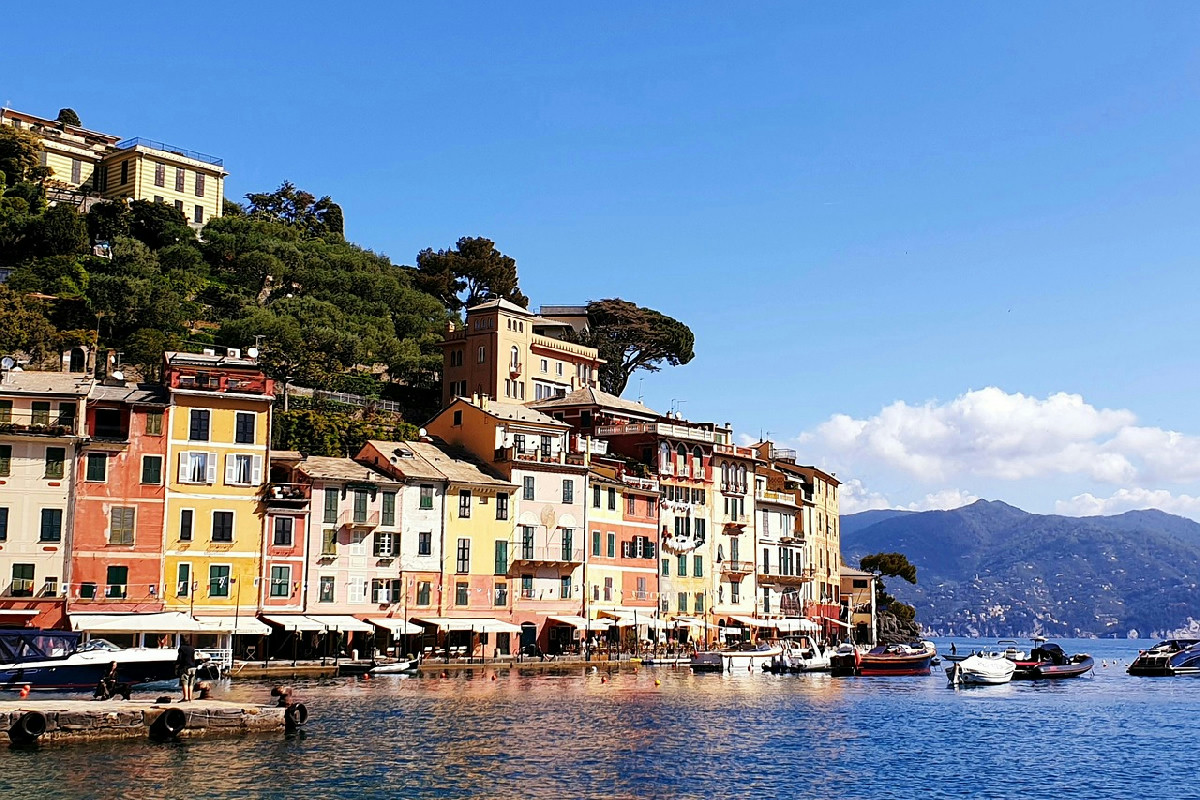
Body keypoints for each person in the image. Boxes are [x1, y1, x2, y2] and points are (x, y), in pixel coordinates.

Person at [176, 636, 198, 702]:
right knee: (191, 683)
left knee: (184, 682)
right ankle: (190, 697)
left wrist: (177, 665)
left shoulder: (182, 648)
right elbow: (193, 658)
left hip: (185, 667)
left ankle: (185, 697)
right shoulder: (192, 648)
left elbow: (180, 658)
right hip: (193, 667)